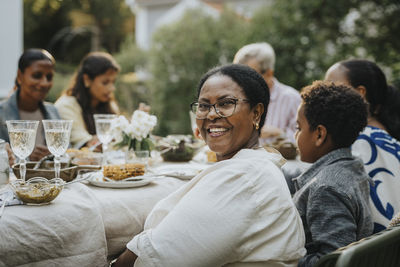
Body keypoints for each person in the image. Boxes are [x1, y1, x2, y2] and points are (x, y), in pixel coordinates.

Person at [112, 64, 306, 267]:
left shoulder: (244, 177)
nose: (211, 114)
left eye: (226, 103)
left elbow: (158, 258)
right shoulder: (252, 165)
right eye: (204, 106)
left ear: (256, 113)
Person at [291, 81, 373, 267]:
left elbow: (332, 261)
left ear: (319, 134)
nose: (294, 135)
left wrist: (283, 260)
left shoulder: (326, 189)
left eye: (298, 128)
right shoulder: (353, 167)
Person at [325, 59, 400, 232]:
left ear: (360, 93)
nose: (324, 95)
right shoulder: (389, 141)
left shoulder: (358, 145)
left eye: (332, 88)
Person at [233, 42, 301, 144]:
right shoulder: (235, 99)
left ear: (269, 73)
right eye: (239, 75)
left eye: (249, 76)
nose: (242, 81)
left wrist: (279, 134)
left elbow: (305, 143)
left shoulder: (292, 98)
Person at [0, 48, 60, 161]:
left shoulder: (53, 111)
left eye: (49, 77)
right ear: (19, 76)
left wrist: (53, 156)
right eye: (37, 75)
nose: (44, 83)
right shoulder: (1, 113)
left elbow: (67, 153)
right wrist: (27, 158)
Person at [55, 52, 120, 149]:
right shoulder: (66, 106)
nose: (112, 88)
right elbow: (84, 143)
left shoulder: (110, 105)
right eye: (105, 82)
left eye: (113, 82)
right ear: (87, 80)